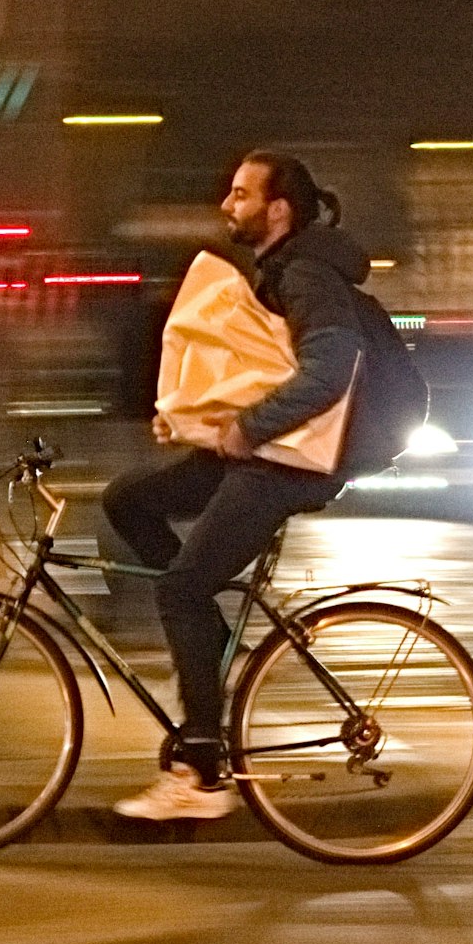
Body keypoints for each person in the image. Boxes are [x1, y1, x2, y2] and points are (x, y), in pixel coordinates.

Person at [100, 146, 379, 821]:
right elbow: (266, 369)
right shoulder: (281, 269)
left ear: (277, 209)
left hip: (291, 464)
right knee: (127, 501)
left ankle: (201, 774)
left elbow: (328, 371)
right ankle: (209, 648)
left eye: (240, 194)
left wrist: (246, 430)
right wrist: (203, 425)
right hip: (268, 451)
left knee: (182, 588)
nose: (227, 205)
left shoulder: (308, 273)